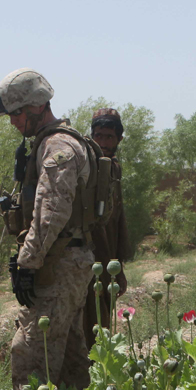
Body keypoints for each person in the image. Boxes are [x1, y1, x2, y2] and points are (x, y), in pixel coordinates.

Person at [0, 69, 96, 390]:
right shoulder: (50, 144)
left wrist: (27, 263)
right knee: (68, 353)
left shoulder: (58, 146)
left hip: (57, 262)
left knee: (29, 355)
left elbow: (51, 212)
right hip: (64, 260)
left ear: (38, 106)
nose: (13, 122)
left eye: (17, 113)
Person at [80, 108, 131, 349]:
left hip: (108, 256)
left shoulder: (114, 168)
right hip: (88, 255)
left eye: (109, 137)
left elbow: (117, 218)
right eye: (98, 135)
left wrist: (118, 264)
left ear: (120, 139)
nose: (103, 142)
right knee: (89, 318)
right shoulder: (84, 166)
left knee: (102, 315)